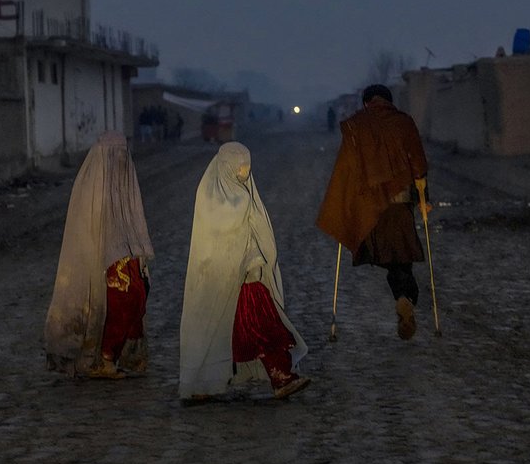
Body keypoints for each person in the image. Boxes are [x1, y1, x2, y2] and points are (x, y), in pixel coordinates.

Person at [179, 142, 310, 402]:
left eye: (247, 169)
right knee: (256, 326)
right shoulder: (211, 198)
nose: (243, 175)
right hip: (222, 282)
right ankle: (205, 384)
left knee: (257, 327)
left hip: (249, 277)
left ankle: (279, 376)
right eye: (239, 169)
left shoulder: (246, 195)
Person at [316, 84, 429, 340]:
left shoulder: (357, 126)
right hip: (400, 206)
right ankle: (405, 297)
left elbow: (346, 170)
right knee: (402, 260)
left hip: (370, 209)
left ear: (366, 102)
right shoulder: (403, 122)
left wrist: (343, 203)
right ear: (389, 101)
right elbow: (418, 163)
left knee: (389, 259)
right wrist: (424, 197)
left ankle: (403, 297)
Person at [44, 131, 155, 379]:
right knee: (116, 303)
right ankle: (100, 358)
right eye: (115, 156)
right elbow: (85, 230)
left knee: (137, 298)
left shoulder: (125, 178)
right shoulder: (90, 184)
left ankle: (122, 354)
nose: (120, 160)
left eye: (123, 155)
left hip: (125, 255)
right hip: (99, 261)